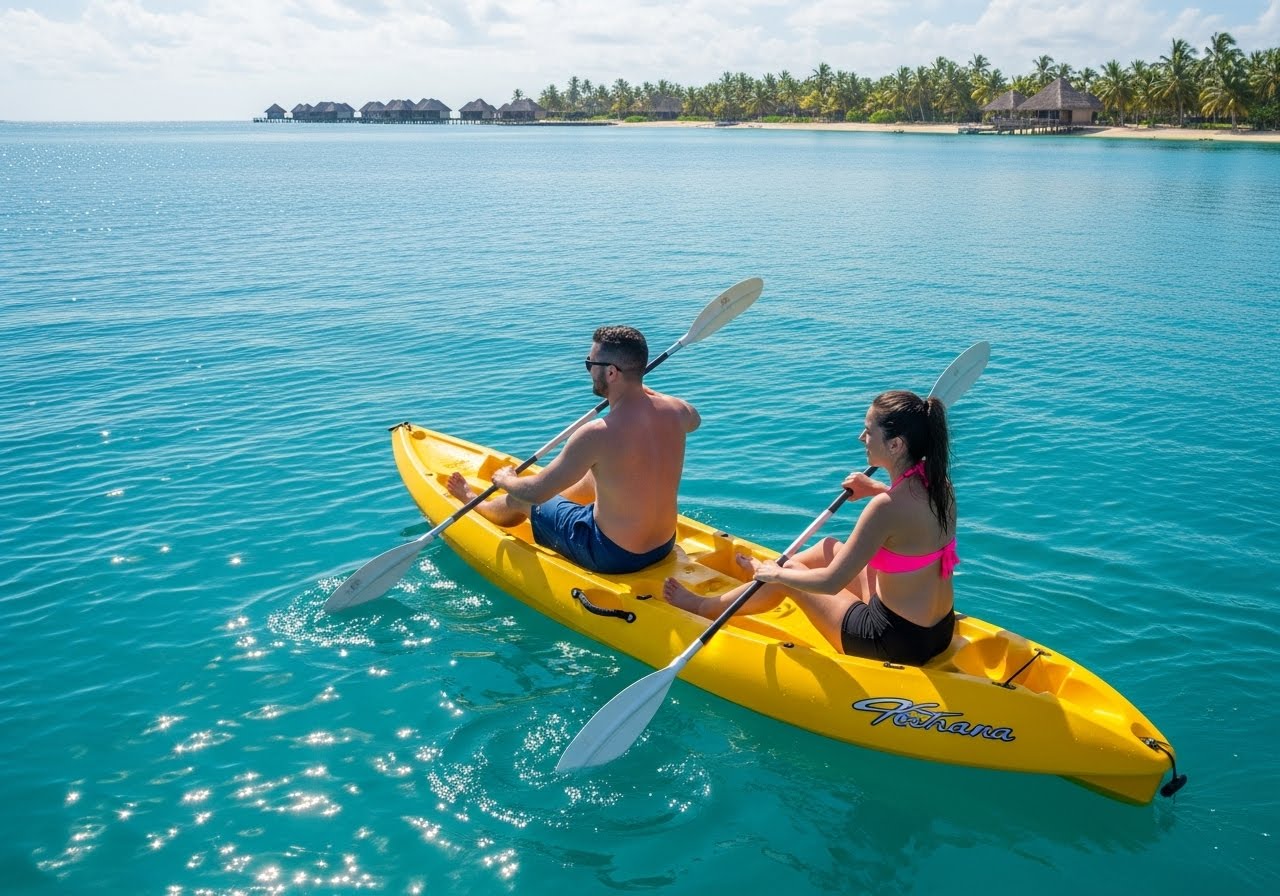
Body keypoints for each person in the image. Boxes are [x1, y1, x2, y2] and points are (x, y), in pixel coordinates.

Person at [663, 390, 958, 666]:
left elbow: (830, 583)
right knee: (828, 547)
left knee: (787, 574)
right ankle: (758, 583)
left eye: (869, 432)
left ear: (895, 445)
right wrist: (876, 488)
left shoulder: (884, 509)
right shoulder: (940, 486)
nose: (861, 438)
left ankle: (704, 605)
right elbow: (909, 521)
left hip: (891, 642)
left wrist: (778, 574)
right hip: (938, 633)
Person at [447, 325, 700, 575]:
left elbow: (536, 493)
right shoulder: (677, 410)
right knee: (595, 474)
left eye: (591, 363)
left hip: (612, 555)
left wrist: (506, 480)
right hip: (662, 545)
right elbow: (695, 420)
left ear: (611, 373)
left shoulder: (597, 434)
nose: (589, 369)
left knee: (519, 498)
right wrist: (643, 390)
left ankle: (473, 502)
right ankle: (564, 504)